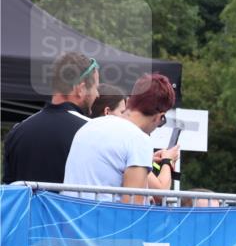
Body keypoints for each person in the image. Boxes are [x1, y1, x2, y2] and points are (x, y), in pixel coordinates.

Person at [62, 73, 176, 204]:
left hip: (70, 218)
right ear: (159, 116)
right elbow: (133, 209)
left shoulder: (88, 126)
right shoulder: (139, 140)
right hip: (105, 222)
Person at [2, 52, 99, 184]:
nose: (97, 94)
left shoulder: (18, 131)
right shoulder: (93, 131)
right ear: (80, 89)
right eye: (95, 87)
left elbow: (9, 191)